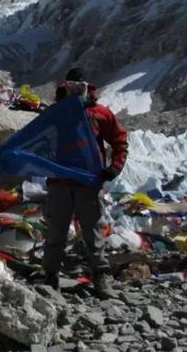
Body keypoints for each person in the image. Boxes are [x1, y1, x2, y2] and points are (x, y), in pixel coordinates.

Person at [43, 67, 128, 298]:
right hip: (60, 181)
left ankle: (101, 276)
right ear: (65, 86)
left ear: (87, 86)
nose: (75, 90)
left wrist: (114, 167)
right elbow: (35, 139)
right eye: (71, 86)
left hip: (88, 182)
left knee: (93, 231)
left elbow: (119, 141)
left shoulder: (99, 113)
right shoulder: (56, 112)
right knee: (56, 231)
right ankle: (50, 277)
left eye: (79, 86)